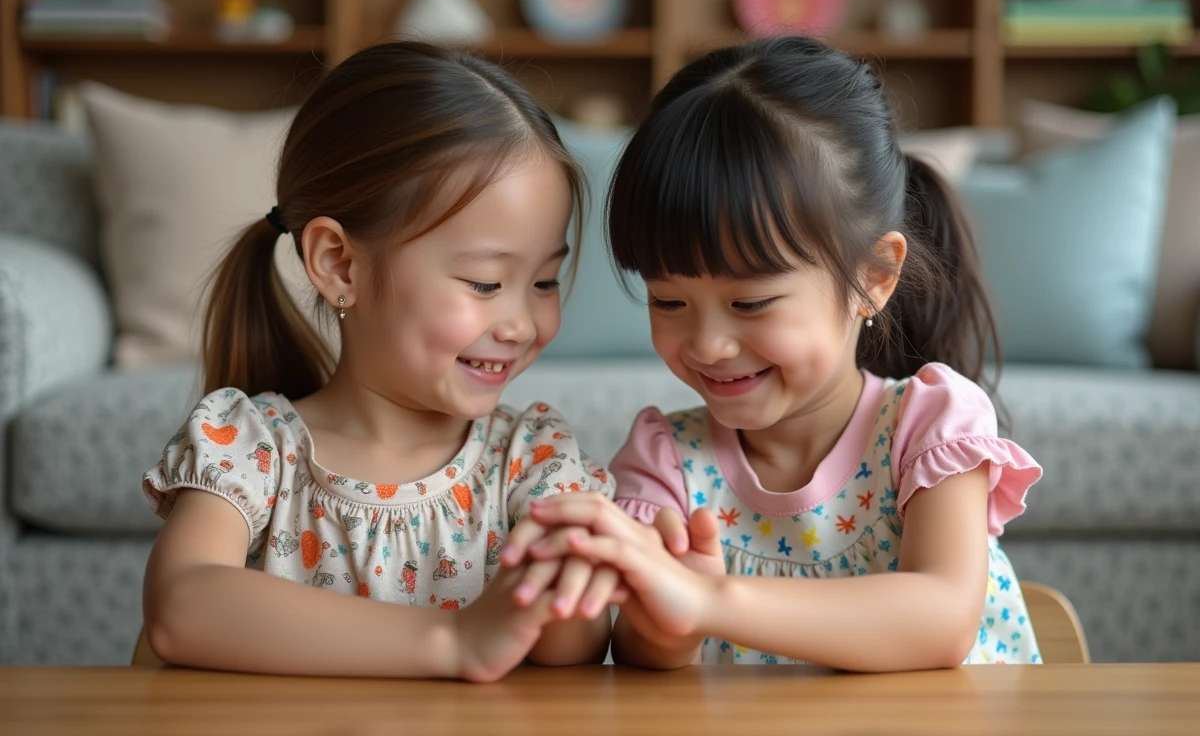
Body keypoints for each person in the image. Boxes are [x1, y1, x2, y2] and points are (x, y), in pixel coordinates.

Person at [510, 35, 1043, 670]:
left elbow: (941, 620)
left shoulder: (929, 426)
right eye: (668, 301)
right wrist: (665, 627)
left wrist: (709, 600)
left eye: (751, 302)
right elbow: (639, 662)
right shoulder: (667, 461)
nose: (707, 345)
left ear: (874, 277)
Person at [141, 42, 616, 681]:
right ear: (340, 265)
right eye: (484, 283)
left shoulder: (531, 458)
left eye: (544, 282)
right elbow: (181, 608)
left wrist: (573, 574)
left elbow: (575, 650)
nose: (522, 324)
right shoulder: (251, 448)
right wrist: (454, 640)